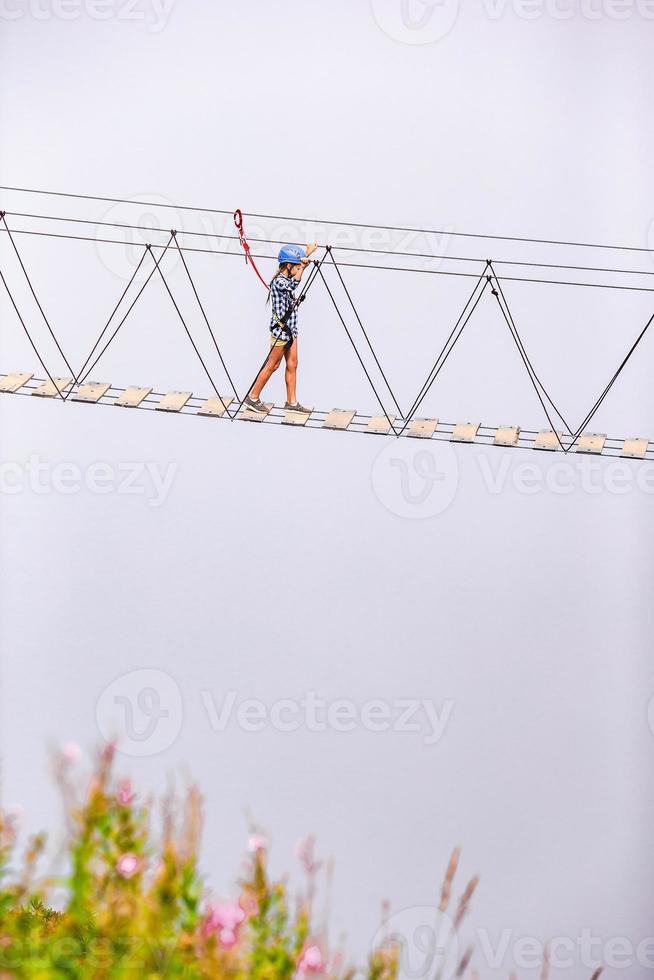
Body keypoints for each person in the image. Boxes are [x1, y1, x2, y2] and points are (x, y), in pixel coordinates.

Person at [244, 242, 317, 414]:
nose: (299, 269)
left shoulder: (288, 277)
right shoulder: (278, 282)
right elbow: (293, 284)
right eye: (297, 267)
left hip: (291, 330)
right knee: (273, 365)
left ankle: (292, 402)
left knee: (293, 364)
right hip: (281, 332)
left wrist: (306, 254)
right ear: (289, 266)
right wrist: (304, 268)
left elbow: (293, 278)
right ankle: (252, 397)